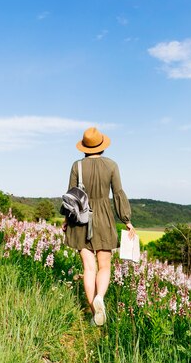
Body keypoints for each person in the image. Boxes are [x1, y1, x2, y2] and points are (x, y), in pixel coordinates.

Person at [63, 127, 136, 326]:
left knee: (88, 268)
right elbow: (118, 193)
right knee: (104, 265)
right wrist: (126, 220)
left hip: (80, 219)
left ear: (84, 147)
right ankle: (100, 298)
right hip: (103, 217)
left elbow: (71, 195)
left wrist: (66, 220)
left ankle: (93, 311)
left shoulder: (76, 166)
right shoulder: (111, 165)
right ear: (102, 146)